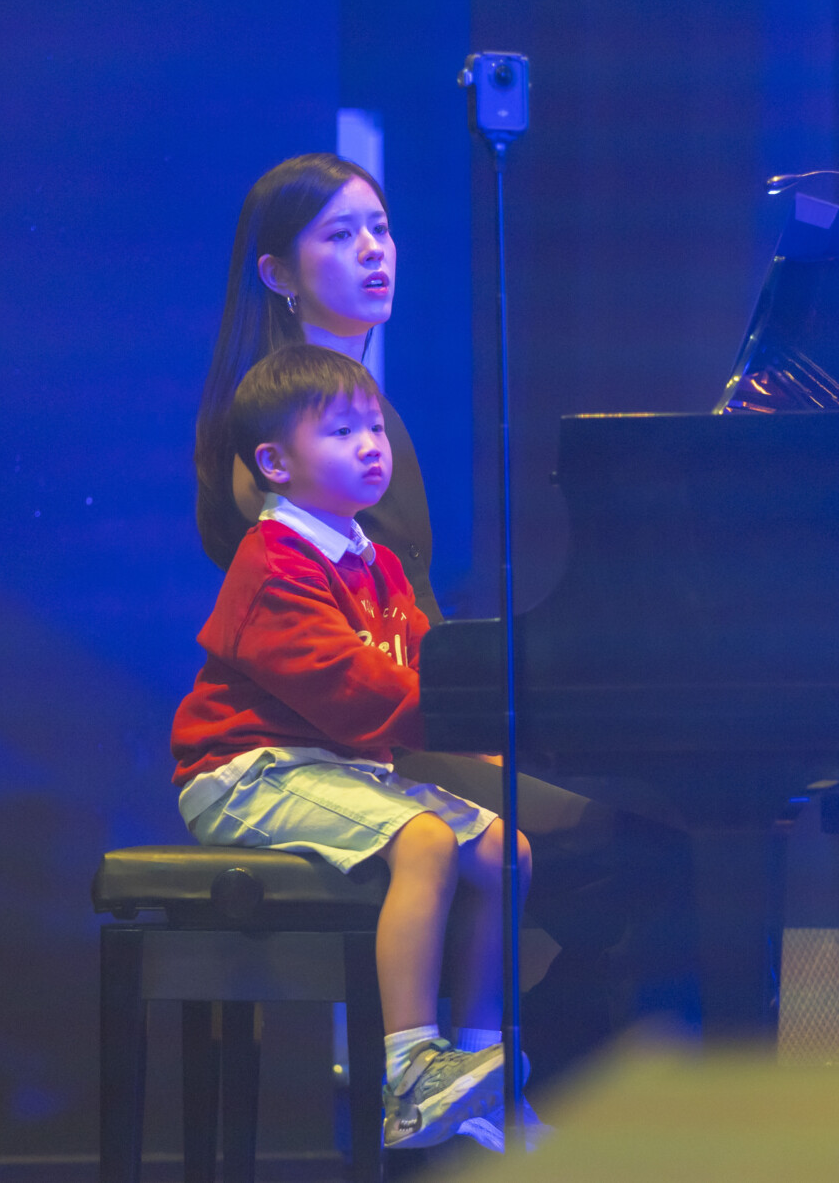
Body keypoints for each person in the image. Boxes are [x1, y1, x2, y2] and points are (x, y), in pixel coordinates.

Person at [193, 154, 696, 1077]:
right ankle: (488, 1082)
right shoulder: (275, 437)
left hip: (412, 711)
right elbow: (328, 660)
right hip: (353, 740)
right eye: (340, 236)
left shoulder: (361, 411)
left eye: (380, 229)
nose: (374, 252)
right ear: (278, 273)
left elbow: (412, 612)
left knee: (657, 843)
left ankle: (504, 1073)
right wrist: (475, 728)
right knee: (638, 857)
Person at [173, 344, 533, 1149]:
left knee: (508, 850)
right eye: (342, 432)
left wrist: (479, 737)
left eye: (375, 427)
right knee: (429, 839)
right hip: (246, 772)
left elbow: (408, 671)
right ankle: (408, 1071)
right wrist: (467, 723)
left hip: (326, 768)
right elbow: (351, 688)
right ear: (275, 462)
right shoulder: (274, 562)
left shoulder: (375, 563)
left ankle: (476, 1074)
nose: (373, 444)